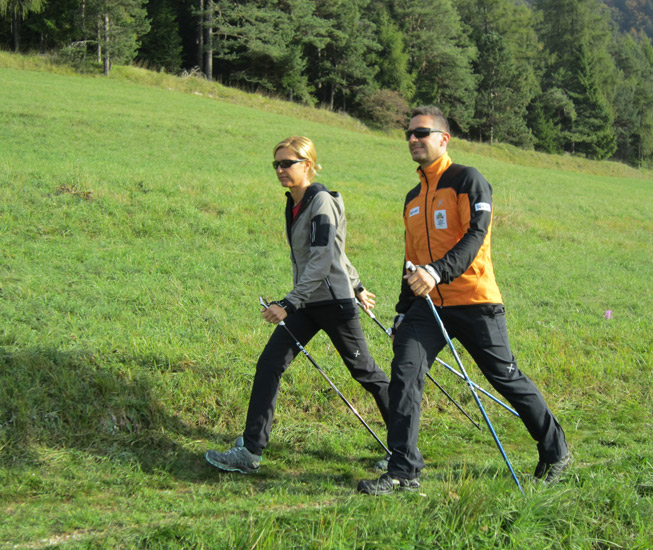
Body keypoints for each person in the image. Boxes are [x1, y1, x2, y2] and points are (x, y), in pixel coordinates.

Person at [357, 106, 570, 495]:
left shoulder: (467, 180)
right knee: (405, 375)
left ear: (443, 138)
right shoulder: (412, 197)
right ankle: (404, 469)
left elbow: (476, 236)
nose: (413, 139)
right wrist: (404, 309)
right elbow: (410, 258)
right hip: (427, 308)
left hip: (474, 300)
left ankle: (555, 452)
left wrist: (437, 271)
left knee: (505, 378)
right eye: (409, 134)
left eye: (421, 132)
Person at [206, 136, 391, 474]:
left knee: (366, 373)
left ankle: (404, 447)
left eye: (287, 163)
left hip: (332, 304)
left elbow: (322, 261)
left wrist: (290, 304)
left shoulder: (319, 203)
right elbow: (335, 253)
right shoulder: (295, 203)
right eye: (276, 164)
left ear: (307, 165)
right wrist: (357, 283)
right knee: (270, 363)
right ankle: (250, 451)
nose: (279, 169)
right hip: (309, 302)